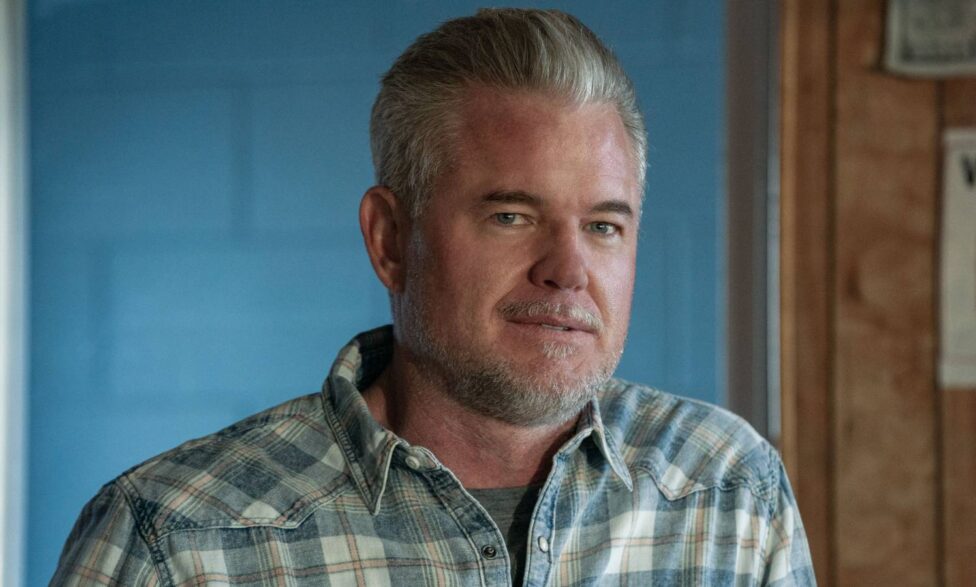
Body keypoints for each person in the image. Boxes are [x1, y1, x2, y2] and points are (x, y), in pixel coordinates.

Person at [52, 8, 814, 586]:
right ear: (389, 239)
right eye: (511, 215)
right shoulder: (176, 539)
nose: (568, 269)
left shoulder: (729, 491)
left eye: (604, 226)